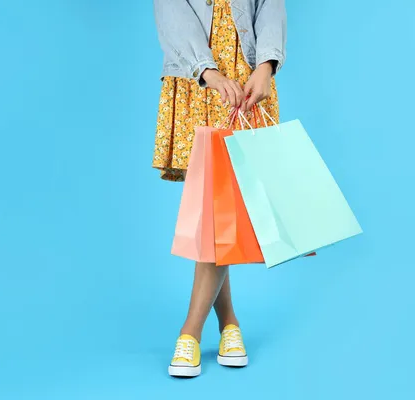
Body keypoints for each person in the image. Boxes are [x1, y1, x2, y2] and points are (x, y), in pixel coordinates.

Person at [152, 0, 286, 377]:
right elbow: (171, 10)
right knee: (215, 208)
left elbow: (271, 6)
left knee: (222, 207)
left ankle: (197, 331)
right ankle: (222, 325)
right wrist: (206, 71)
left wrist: (266, 66)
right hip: (201, 81)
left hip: (249, 84)